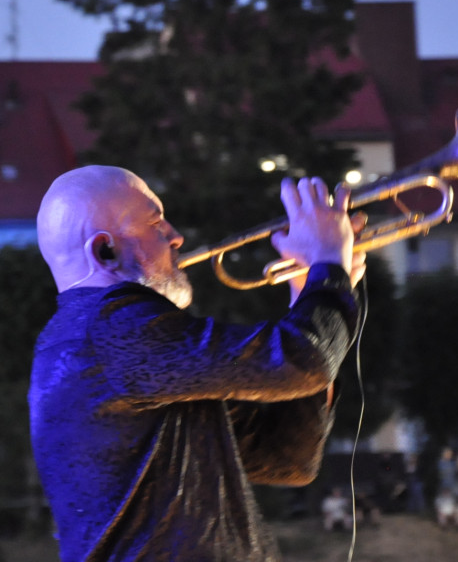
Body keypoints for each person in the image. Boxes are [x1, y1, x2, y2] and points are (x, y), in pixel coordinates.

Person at [30, 166, 367, 562]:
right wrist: (328, 269)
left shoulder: (124, 345)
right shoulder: (111, 327)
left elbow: (285, 458)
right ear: (105, 250)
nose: (176, 236)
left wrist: (308, 296)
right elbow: (306, 361)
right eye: (155, 223)